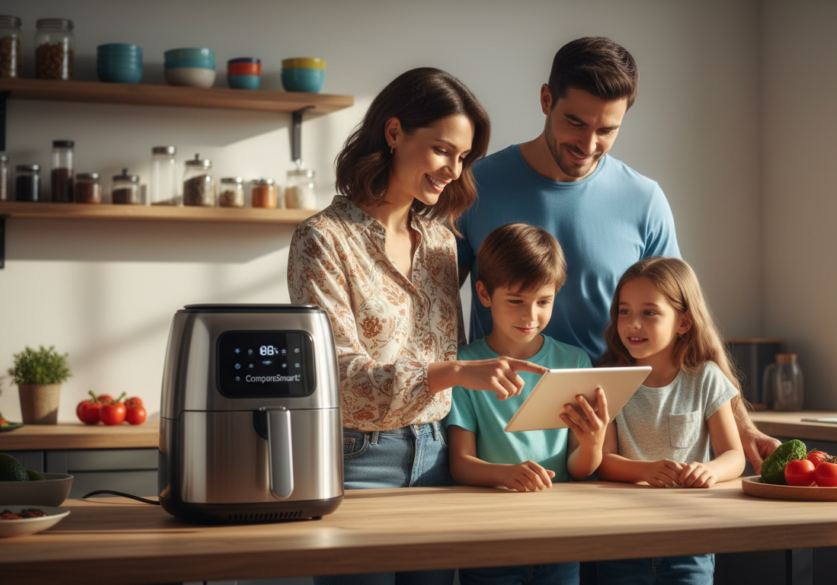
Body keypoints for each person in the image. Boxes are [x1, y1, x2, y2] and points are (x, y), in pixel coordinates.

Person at [455, 36, 779, 472]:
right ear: (546, 99)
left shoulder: (644, 200)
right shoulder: (475, 186)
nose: (588, 144)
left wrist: (742, 425)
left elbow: (686, 322)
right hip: (501, 428)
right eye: (575, 122)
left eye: (607, 130)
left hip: (615, 437)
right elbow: (435, 308)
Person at [287, 67, 546, 585]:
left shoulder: (442, 243)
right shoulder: (323, 240)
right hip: (358, 461)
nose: (454, 169)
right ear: (394, 132)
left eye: (463, 157)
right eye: (442, 150)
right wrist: (451, 373)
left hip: (438, 456)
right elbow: (339, 375)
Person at [447, 223, 609, 585]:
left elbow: (579, 470)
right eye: (516, 301)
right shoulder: (465, 366)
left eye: (543, 302)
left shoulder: (575, 362)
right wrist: (506, 475)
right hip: (490, 538)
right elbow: (460, 464)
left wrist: (593, 445)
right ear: (484, 294)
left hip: (559, 537)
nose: (530, 316)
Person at [594, 257, 745, 585]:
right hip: (621, 541)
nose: (633, 323)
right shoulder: (607, 380)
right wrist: (645, 471)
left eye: (649, 312)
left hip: (690, 540)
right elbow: (602, 461)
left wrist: (711, 470)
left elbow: (734, 455)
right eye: (624, 311)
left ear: (684, 322)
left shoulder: (706, 378)